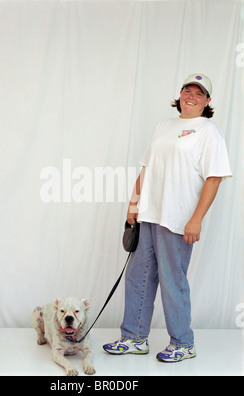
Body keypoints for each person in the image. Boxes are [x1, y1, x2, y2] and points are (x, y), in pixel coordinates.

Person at [103, 73, 232, 362]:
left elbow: (214, 178)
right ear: (180, 95)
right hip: (149, 214)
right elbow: (147, 167)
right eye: (187, 90)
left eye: (199, 93)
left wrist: (196, 219)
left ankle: (184, 343)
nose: (191, 96)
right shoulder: (164, 126)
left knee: (173, 281)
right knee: (138, 277)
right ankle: (134, 337)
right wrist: (133, 204)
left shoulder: (209, 131)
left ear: (207, 101)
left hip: (178, 218)